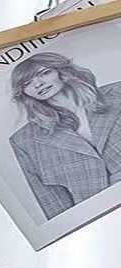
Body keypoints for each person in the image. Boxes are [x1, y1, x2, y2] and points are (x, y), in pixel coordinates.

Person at [9, 52, 121, 220]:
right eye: (27, 83)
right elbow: (52, 202)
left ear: (62, 70)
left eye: (44, 73)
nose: (38, 84)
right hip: (101, 219)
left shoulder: (118, 93)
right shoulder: (24, 140)